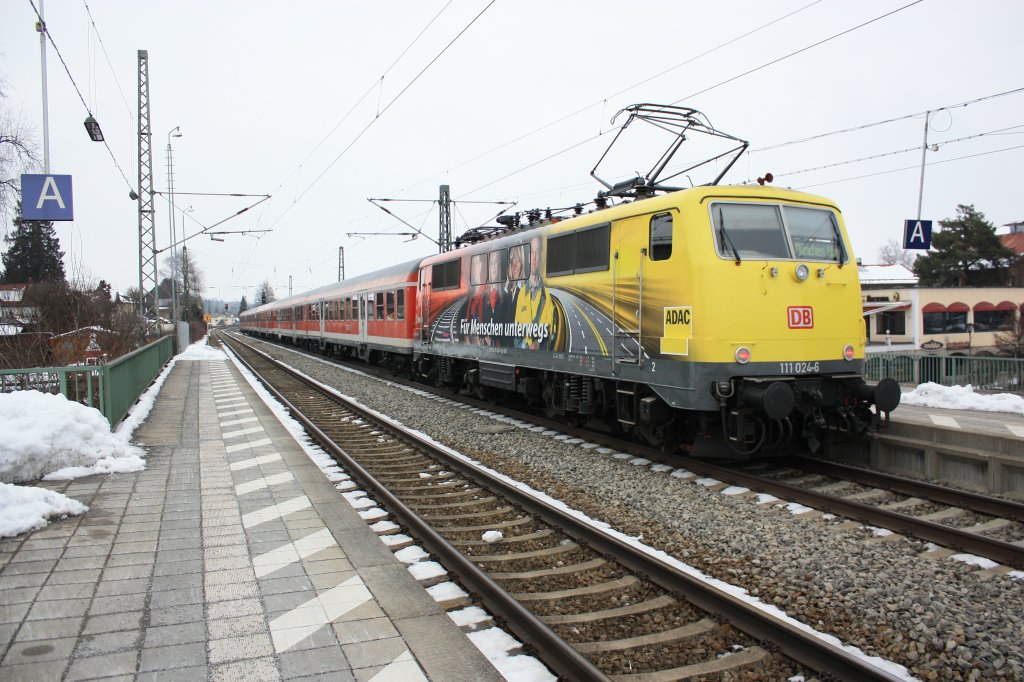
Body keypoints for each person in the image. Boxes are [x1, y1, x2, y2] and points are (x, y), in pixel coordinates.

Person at [514, 235, 555, 350]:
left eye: (537, 253)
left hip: (540, 352)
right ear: (528, 257)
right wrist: (526, 345)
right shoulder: (521, 294)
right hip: (524, 352)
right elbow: (516, 328)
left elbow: (551, 328)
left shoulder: (547, 294)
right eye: (532, 252)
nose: (534, 257)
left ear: (541, 257)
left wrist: (538, 343)